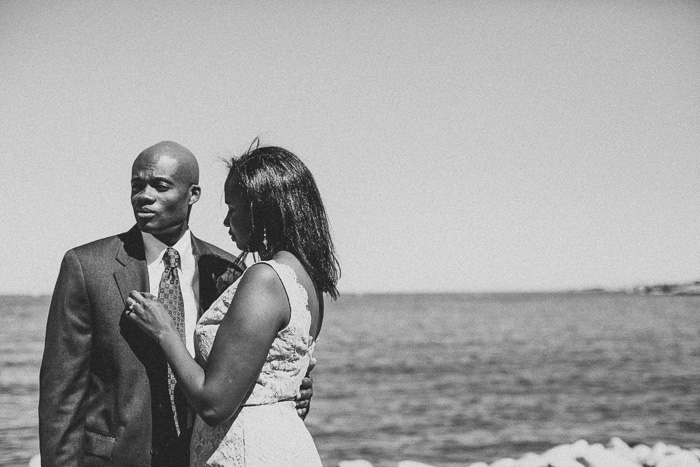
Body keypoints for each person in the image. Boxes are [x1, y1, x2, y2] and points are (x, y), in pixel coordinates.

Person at [38, 141, 314, 467]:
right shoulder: (87, 267)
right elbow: (61, 397)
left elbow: (243, 373)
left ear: (193, 194)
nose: (144, 195)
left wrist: (293, 390)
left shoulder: (229, 272)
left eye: (160, 185)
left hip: (204, 455)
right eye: (137, 185)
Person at [125, 143, 339, 466]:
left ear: (261, 211)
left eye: (233, 209)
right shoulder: (305, 279)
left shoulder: (264, 279)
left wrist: (164, 329)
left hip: (248, 453)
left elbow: (213, 404)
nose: (226, 221)